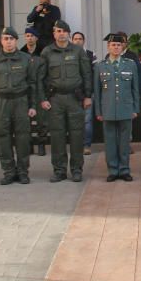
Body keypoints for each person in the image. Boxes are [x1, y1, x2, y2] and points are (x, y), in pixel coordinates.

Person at [40, 20, 93, 183]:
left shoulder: (78, 51)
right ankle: (59, 170)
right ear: (54, 34)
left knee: (77, 135)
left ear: (68, 33)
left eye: (64, 31)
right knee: (57, 136)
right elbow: (40, 78)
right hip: (55, 99)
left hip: (74, 99)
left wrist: (88, 96)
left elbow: (86, 74)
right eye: (58, 31)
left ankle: (77, 170)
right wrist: (42, 98)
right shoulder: (47, 52)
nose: (61, 33)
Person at [0, 27, 38, 185]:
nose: (8, 42)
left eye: (11, 39)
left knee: (22, 137)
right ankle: (8, 171)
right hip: (1, 103)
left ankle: (22, 172)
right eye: (5, 39)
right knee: (2, 138)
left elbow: (32, 84)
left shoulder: (26, 59)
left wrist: (32, 105)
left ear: (16, 41)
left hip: (20, 101)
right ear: (1, 41)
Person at [95, 33, 139, 182]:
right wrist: (98, 111)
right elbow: (97, 90)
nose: (116, 47)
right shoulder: (100, 66)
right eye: (113, 45)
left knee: (125, 142)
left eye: (119, 45)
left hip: (126, 109)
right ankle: (113, 170)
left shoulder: (130, 64)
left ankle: (124, 170)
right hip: (108, 110)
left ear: (123, 47)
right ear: (108, 47)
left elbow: (135, 89)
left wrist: (135, 108)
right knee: (110, 142)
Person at [21, 27, 48, 155]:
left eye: (32, 36)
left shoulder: (43, 53)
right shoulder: (20, 53)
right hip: (25, 91)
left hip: (39, 90)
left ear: (36, 38)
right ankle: (29, 144)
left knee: (41, 120)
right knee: (25, 120)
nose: (29, 38)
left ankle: (41, 143)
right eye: (27, 35)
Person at [72, 31, 96, 155]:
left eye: (80, 38)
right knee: (74, 121)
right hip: (72, 94)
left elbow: (94, 74)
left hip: (87, 93)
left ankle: (86, 145)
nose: (77, 41)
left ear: (84, 40)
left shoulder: (91, 54)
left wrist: (90, 94)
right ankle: (76, 146)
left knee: (87, 121)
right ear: (72, 40)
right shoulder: (68, 54)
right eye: (75, 39)